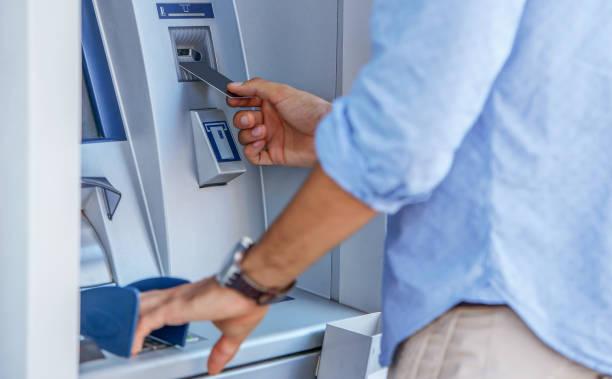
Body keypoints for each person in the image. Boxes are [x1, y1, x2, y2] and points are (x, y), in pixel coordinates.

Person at [132, 0, 612, 377]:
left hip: (495, 327)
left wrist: (250, 284)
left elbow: (405, 142)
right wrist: (334, 132)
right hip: (579, 327)